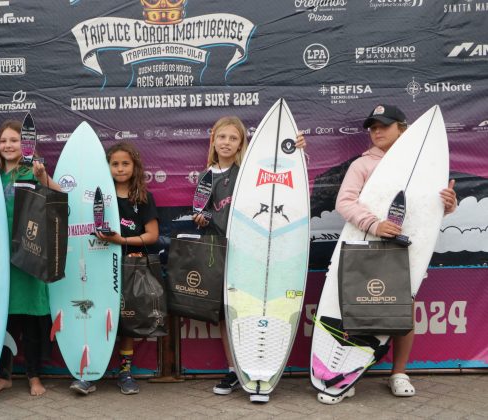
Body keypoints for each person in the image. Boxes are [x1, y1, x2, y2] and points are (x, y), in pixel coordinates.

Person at [318, 104, 457, 404]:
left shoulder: (426, 167)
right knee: (356, 307)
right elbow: (345, 202)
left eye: (384, 125)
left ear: (403, 129)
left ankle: (399, 373)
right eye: (372, 127)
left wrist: (446, 205)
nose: (376, 131)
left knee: (401, 310)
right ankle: (348, 372)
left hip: (403, 251)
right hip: (365, 247)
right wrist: (374, 224)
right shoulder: (363, 165)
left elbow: (423, 213)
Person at [192, 116, 305, 396]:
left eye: (233, 138)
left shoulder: (250, 173)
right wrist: (201, 219)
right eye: (222, 137)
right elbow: (201, 213)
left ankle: (259, 365)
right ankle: (235, 370)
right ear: (213, 140)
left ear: (242, 143)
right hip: (222, 253)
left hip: (254, 253)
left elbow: (284, 177)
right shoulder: (207, 176)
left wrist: (297, 148)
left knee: (256, 306)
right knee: (229, 313)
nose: (226, 143)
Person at [69, 142, 159, 396]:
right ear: (106, 166)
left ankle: (125, 373)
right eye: (115, 164)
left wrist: (122, 241)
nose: (120, 169)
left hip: (131, 268)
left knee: (127, 321)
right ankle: (90, 373)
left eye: (125, 163)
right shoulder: (94, 195)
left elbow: (152, 235)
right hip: (98, 267)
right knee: (97, 318)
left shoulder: (143, 198)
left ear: (135, 166)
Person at [0, 119, 61, 397]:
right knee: (2, 320)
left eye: (15, 140)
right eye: (3, 141)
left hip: (30, 256)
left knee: (32, 319)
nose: (8, 145)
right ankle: (3, 376)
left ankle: (34, 376)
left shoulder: (32, 170)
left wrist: (42, 176)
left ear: (26, 145)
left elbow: (59, 195)